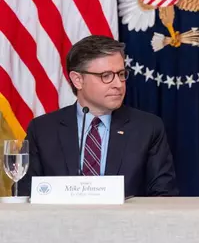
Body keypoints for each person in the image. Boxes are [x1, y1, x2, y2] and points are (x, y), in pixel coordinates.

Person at [19, 35, 178, 197]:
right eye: (106, 76)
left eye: (121, 74)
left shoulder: (147, 128)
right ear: (78, 80)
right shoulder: (42, 130)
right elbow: (24, 193)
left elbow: (164, 195)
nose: (118, 84)